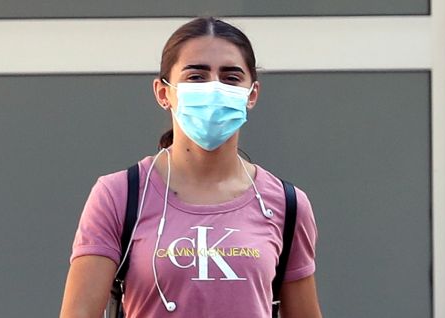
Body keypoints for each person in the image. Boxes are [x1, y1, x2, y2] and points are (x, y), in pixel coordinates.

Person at [58, 17, 321, 318]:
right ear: (163, 92)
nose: (214, 88)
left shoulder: (287, 205)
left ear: (252, 94)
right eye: (196, 76)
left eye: (231, 77)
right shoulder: (120, 194)